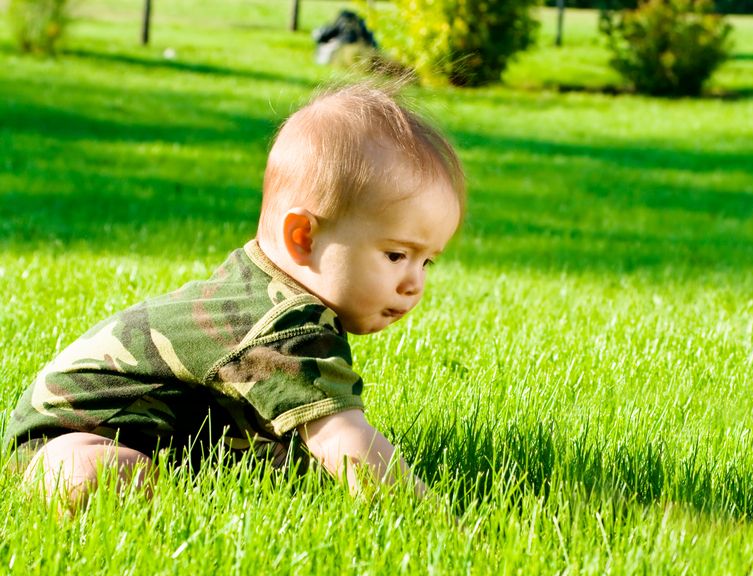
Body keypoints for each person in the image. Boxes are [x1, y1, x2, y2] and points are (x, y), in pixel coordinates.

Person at [3, 82, 465, 509]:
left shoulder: (272, 288)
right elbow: (344, 444)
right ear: (303, 236)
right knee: (105, 476)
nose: (414, 283)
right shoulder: (282, 321)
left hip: (147, 436)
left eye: (427, 262)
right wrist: (438, 522)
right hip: (65, 439)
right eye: (396, 255)